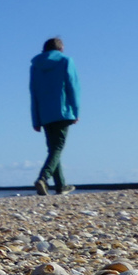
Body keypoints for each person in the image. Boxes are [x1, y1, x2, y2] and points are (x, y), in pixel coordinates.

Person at [29, 37, 79, 196]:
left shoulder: (35, 66)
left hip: (44, 114)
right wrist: (76, 111)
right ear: (61, 48)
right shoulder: (66, 61)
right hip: (62, 111)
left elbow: (33, 93)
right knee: (57, 148)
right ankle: (43, 178)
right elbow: (73, 86)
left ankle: (60, 186)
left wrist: (35, 119)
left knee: (53, 149)